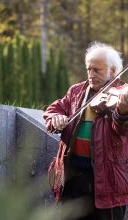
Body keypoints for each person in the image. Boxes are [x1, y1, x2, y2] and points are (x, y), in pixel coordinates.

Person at [43, 42, 128, 220]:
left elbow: (120, 128)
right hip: (72, 179)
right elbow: (54, 109)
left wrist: (122, 111)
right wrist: (55, 118)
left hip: (106, 182)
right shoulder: (76, 91)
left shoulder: (121, 94)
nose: (91, 74)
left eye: (97, 70)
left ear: (112, 71)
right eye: (88, 69)